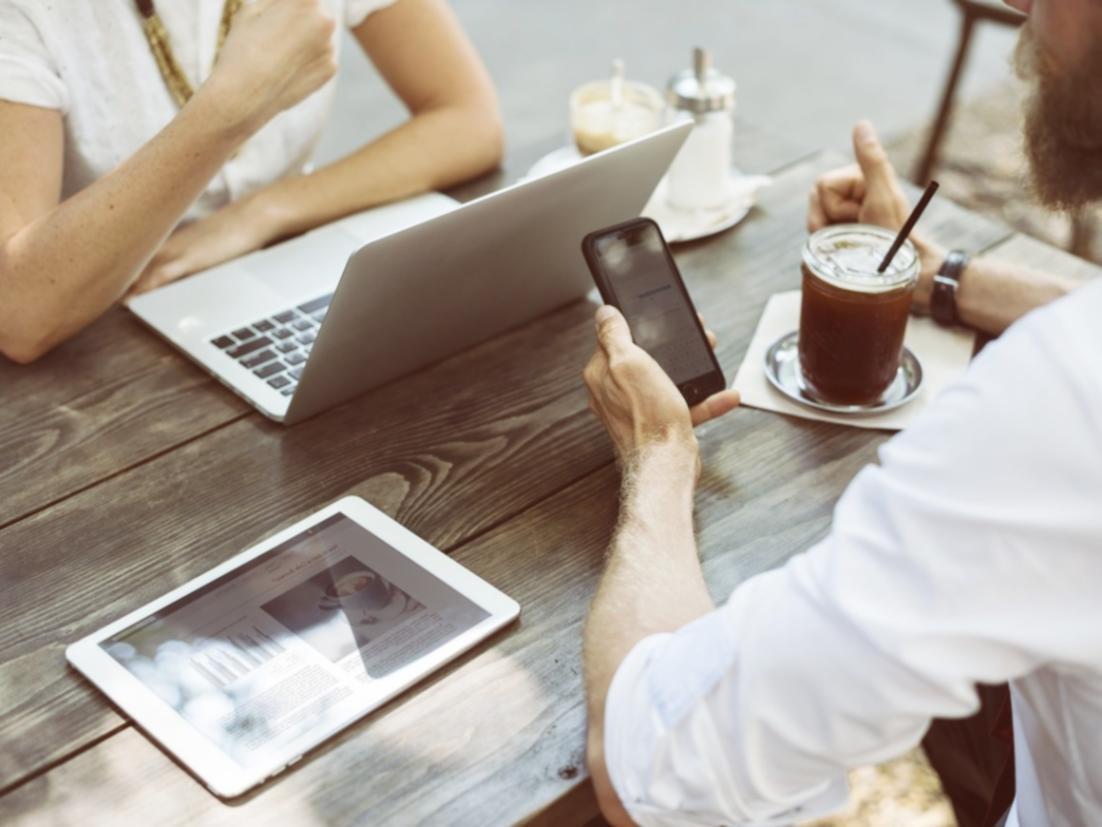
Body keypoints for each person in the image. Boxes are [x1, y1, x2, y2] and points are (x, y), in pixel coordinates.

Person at [580, 0, 1102, 825]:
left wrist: (657, 453)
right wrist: (938, 276)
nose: (1022, 9)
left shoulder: (1064, 401)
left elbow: (656, 768)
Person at [0, 0, 502, 364]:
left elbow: (469, 121)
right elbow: (20, 314)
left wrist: (262, 212)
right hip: (101, 325)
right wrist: (231, 106)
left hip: (279, 280)